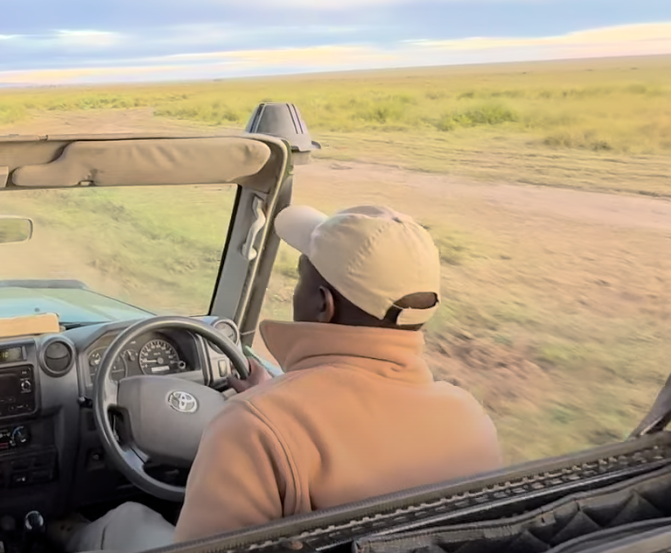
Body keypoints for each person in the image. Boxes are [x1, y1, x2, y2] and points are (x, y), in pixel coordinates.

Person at [63, 204, 503, 551]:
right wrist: (272, 396)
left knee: (125, 522)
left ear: (321, 303)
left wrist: (259, 411)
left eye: (300, 277)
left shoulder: (254, 427)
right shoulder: (470, 417)